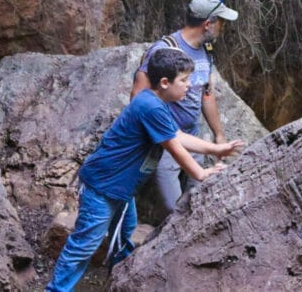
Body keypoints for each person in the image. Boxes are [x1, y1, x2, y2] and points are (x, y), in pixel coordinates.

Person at [46, 48, 244, 292]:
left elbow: (178, 136)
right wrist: (200, 174)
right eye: (183, 80)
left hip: (121, 189)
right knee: (84, 245)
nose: (189, 86)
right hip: (103, 187)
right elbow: (174, 147)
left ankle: (118, 281)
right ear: (164, 82)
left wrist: (217, 149)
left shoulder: (157, 103)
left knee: (125, 232)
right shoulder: (150, 106)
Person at [129, 0, 238, 212]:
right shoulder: (165, 50)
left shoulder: (206, 52)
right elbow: (137, 98)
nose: (222, 28)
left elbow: (206, 94)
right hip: (166, 142)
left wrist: (219, 135)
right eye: (221, 23)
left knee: (196, 202)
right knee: (175, 212)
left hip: (192, 138)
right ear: (208, 24)